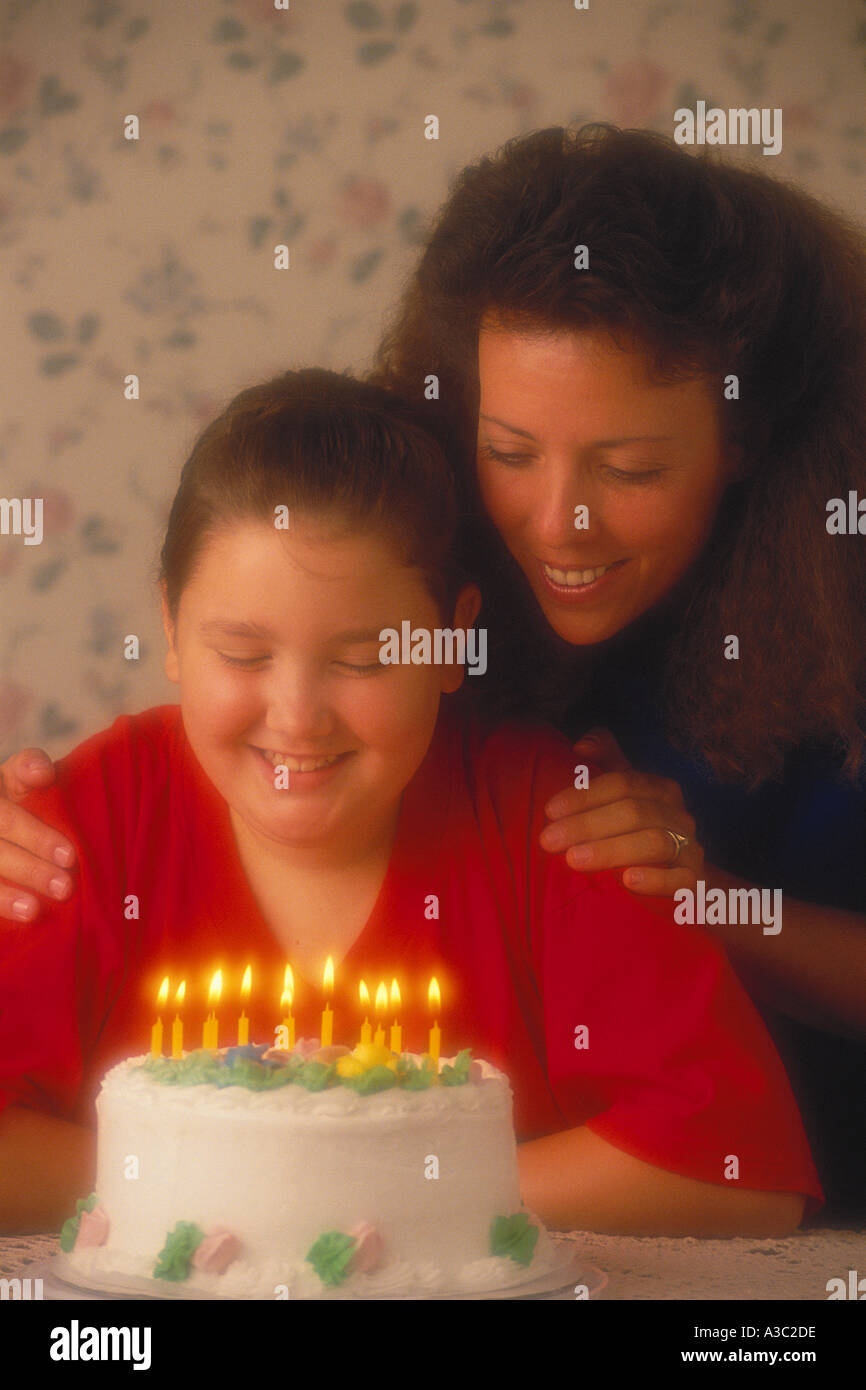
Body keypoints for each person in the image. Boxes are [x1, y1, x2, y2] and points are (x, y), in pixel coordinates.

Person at [0, 369, 818, 1239]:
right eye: (242, 654)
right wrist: (299, 1188)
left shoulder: (559, 824)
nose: (297, 718)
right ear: (168, 628)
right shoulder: (79, 825)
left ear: (449, 639)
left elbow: (736, 1174)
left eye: (361, 661)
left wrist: (333, 1193)